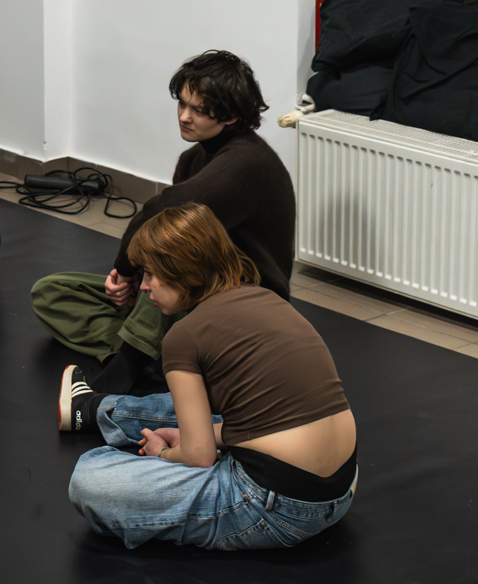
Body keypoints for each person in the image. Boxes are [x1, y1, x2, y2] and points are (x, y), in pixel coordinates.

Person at [58, 203, 357, 550]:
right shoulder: (266, 298)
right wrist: (204, 436)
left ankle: (95, 410)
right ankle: (91, 408)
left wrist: (163, 455)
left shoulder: (184, 336)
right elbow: (272, 418)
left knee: (90, 478)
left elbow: (198, 457)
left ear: (180, 269)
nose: (144, 287)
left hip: (276, 508)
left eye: (150, 274)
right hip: (342, 491)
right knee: (193, 408)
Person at [30, 50, 293, 394]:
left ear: (230, 115)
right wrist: (135, 279)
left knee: (171, 259)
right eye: (181, 103)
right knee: (51, 293)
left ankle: (129, 365)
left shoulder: (248, 163)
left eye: (198, 110)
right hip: (192, 295)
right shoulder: (193, 158)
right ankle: (155, 357)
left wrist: (125, 270)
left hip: (245, 304)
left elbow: (162, 214)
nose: (184, 116)